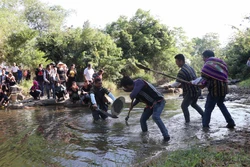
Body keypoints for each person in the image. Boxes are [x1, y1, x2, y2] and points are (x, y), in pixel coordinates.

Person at [191, 50, 236, 129]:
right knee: (221, 104)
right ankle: (231, 122)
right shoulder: (222, 63)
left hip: (215, 89)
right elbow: (219, 76)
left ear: (207, 57)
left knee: (208, 107)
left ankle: (205, 126)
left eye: (203, 58)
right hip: (224, 88)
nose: (203, 60)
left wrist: (194, 82)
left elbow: (204, 78)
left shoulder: (208, 64)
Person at [120, 76, 170, 142]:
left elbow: (132, 95)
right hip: (150, 105)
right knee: (142, 120)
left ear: (127, 86)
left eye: (126, 87)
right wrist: (133, 105)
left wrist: (130, 92)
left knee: (155, 117)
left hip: (159, 101)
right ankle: (145, 135)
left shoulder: (139, 82)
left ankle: (166, 136)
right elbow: (138, 99)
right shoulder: (135, 89)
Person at [165, 54, 204, 123]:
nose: (176, 63)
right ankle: (204, 115)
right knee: (193, 104)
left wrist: (169, 86)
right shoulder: (190, 67)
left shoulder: (181, 72)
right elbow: (186, 81)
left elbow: (177, 83)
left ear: (181, 61)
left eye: (177, 62)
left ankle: (187, 122)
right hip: (197, 90)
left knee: (184, 106)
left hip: (191, 91)